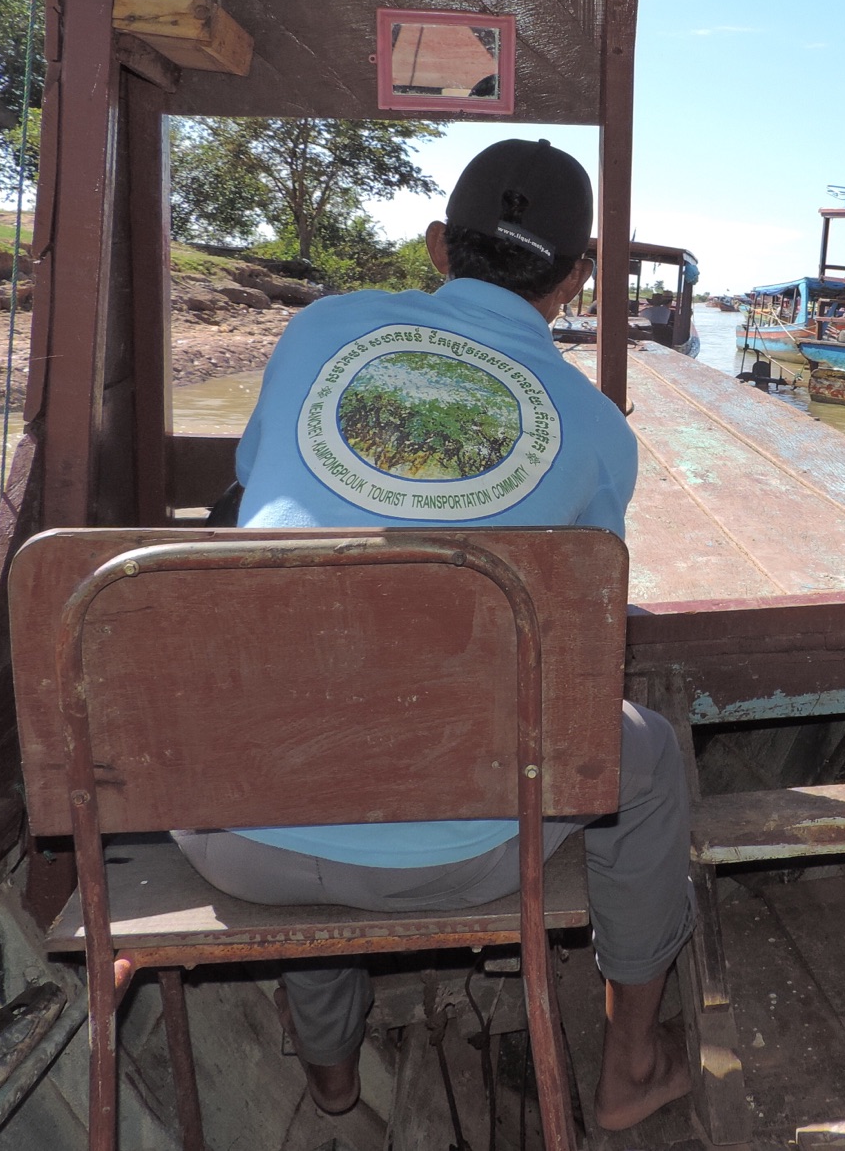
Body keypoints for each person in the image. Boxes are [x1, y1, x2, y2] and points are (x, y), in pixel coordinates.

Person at [173, 139, 693, 1129]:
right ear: (577, 278)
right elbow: (585, 625)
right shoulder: (593, 427)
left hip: (232, 837)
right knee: (646, 755)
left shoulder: (318, 330)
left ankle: (329, 1072)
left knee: (301, 700)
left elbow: (252, 492)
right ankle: (629, 1065)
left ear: (434, 246)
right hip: (464, 850)